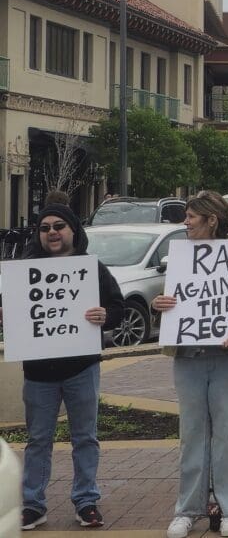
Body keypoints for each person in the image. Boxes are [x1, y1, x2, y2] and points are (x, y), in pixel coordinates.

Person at [13, 203, 123, 531]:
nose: (52, 232)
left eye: (59, 226)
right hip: (38, 374)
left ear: (73, 230)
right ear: (39, 234)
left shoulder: (92, 269)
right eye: (45, 227)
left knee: (85, 437)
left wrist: (107, 316)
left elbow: (117, 305)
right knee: (37, 440)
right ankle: (33, 505)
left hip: (81, 369)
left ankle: (86, 501)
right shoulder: (24, 270)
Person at [153, 192, 228, 538]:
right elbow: (176, 302)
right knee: (192, 436)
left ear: (211, 220)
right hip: (189, 359)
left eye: (192, 216)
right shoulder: (180, 257)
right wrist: (160, 303)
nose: (186, 222)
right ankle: (187, 509)